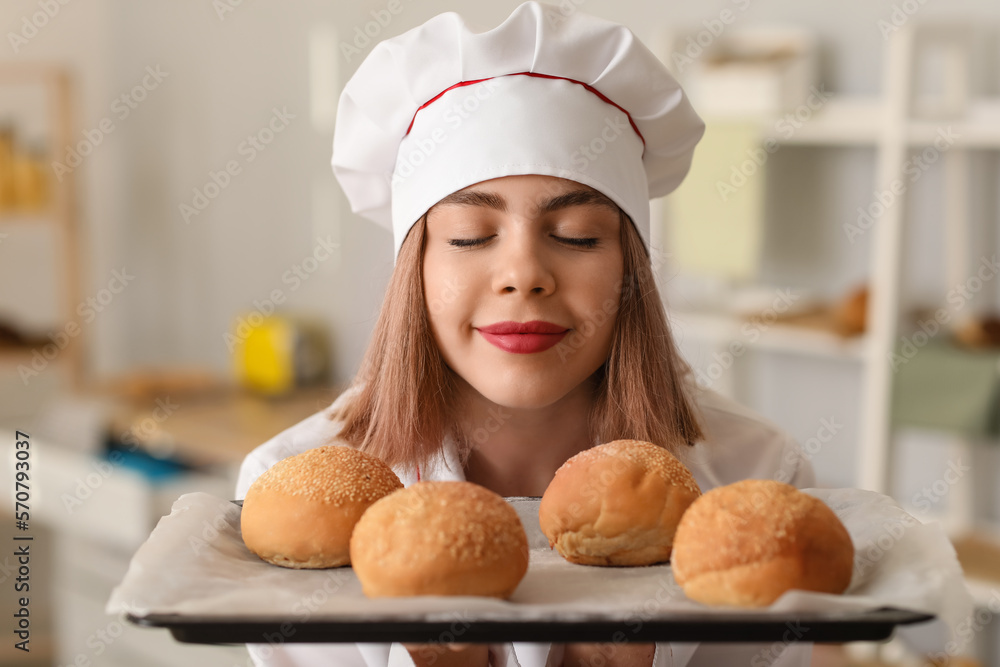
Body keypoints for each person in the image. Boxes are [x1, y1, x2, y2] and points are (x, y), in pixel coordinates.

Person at [236, 3, 817, 665]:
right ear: (415, 269)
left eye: (576, 236)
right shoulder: (287, 493)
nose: (523, 275)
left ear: (631, 266)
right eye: (469, 236)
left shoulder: (757, 479)